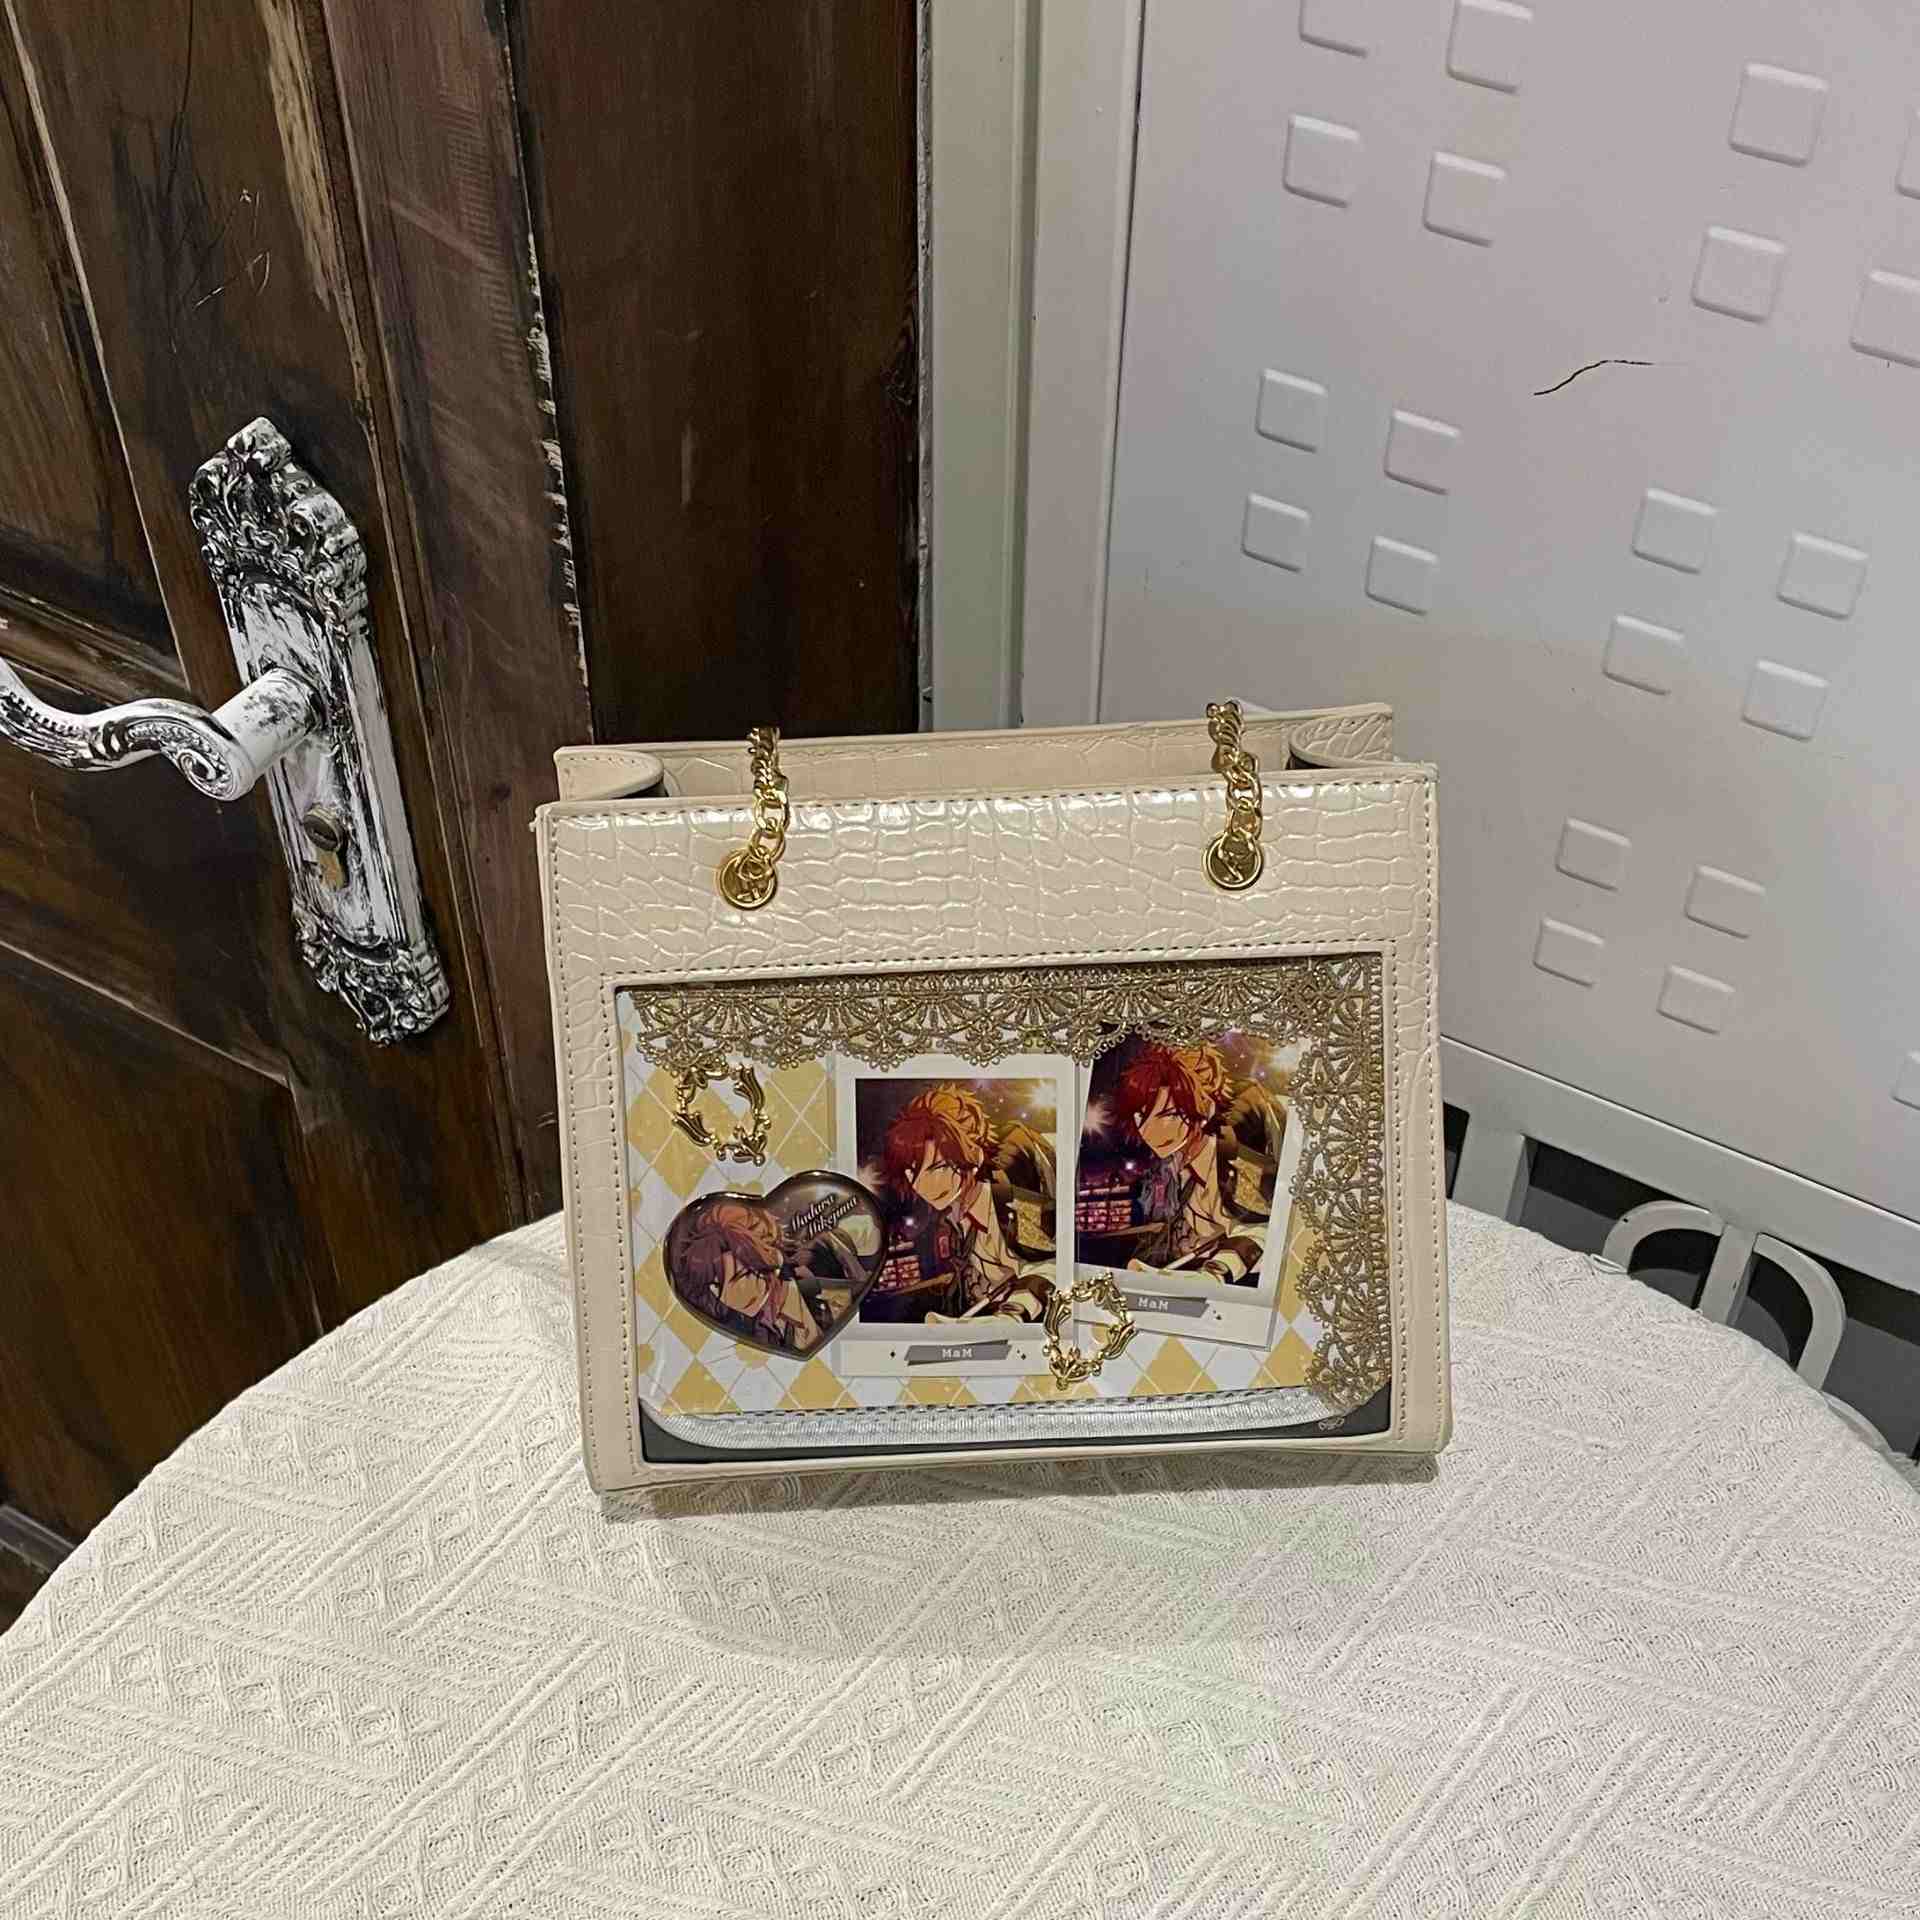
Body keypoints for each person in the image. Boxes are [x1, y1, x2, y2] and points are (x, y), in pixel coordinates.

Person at [879, 1084, 1057, 1322]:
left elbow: (1052, 1267)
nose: (923, 1185)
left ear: (975, 1157)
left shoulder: (1014, 1201)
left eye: (938, 1167)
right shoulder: (953, 1218)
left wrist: (1011, 1316)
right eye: (912, 1172)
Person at [1117, 1042, 1282, 1284]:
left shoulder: (1230, 1158)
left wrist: (1214, 1273)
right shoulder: (1178, 1162)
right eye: (1141, 1115)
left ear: (1206, 1108)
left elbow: (1262, 1232)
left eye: (1169, 1115)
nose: (1149, 1132)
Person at [670, 1197, 823, 1352]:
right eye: (716, 1287)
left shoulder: (801, 1287)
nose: (726, 1297)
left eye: (742, 1275)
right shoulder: (741, 1329)